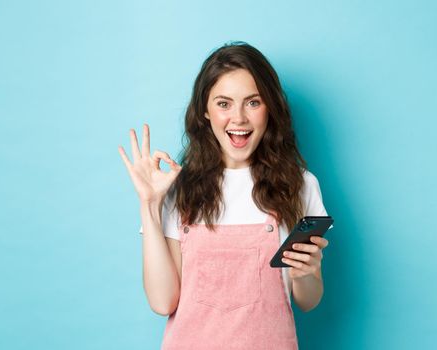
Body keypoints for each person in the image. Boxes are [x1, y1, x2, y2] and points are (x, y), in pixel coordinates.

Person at [118, 41, 331, 350]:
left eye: (253, 102)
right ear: (205, 111)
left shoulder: (300, 185)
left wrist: (307, 273)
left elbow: (308, 301)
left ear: (270, 107)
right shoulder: (177, 187)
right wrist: (150, 206)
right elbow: (163, 302)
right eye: (224, 103)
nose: (239, 118)